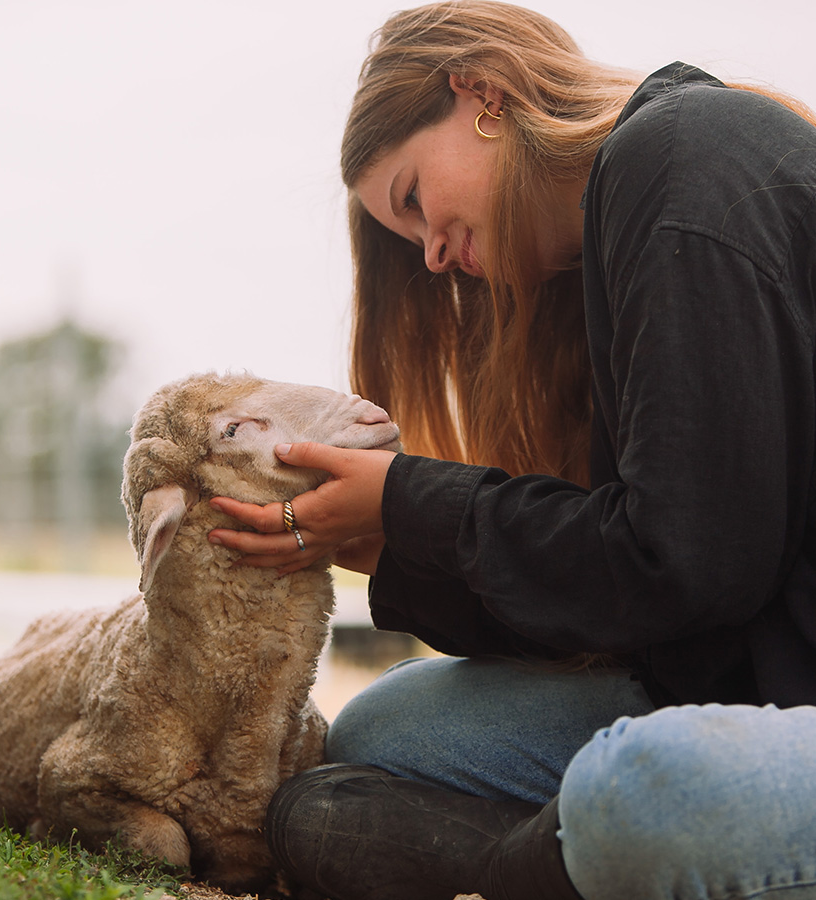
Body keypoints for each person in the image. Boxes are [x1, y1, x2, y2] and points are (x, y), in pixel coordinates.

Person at [206, 2, 816, 898]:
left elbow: (689, 566)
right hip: (748, 677)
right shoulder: (605, 242)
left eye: (413, 200)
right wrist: (390, 544)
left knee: (639, 789)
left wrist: (411, 501)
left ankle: (507, 868)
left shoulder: (683, 158)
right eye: (406, 239)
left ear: (483, 95)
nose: (432, 258)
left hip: (785, 692)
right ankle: (578, 861)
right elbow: (627, 605)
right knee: (388, 725)